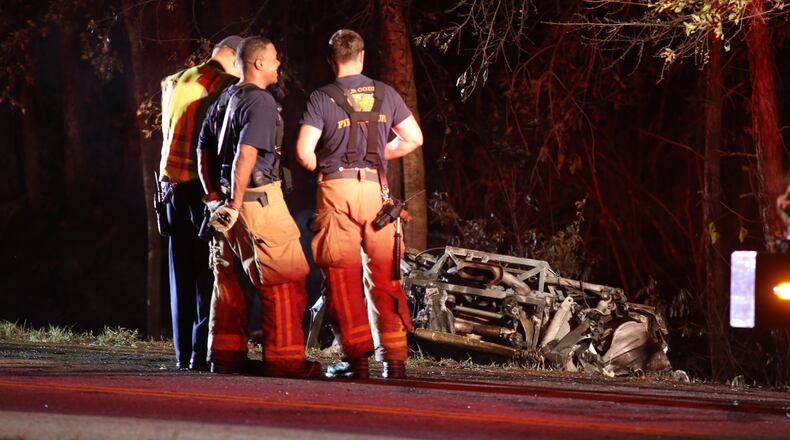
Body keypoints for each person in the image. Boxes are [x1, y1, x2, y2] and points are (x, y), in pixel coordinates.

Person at [295, 29, 423, 378]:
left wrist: (320, 162)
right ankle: (394, 361)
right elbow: (414, 138)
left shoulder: (322, 98)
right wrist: (381, 152)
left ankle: (357, 361)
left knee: (341, 277)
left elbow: (304, 152)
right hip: (377, 195)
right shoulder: (387, 94)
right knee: (385, 277)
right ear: (362, 56)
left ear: (330, 60)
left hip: (338, 193)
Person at [197, 36, 321, 378]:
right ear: (258, 63)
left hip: (225, 206)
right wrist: (236, 203)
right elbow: (246, 154)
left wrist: (214, 199)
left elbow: (202, 148)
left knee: (230, 281)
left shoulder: (225, 97)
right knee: (285, 280)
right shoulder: (261, 102)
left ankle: (225, 357)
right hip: (255, 201)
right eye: (274, 58)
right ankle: (285, 362)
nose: (279, 64)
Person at [159, 35, 241, 370]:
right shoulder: (225, 84)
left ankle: (182, 353)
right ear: (235, 59)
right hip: (200, 189)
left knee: (180, 272)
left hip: (169, 188)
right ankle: (200, 351)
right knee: (210, 273)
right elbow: (217, 141)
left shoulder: (176, 80)